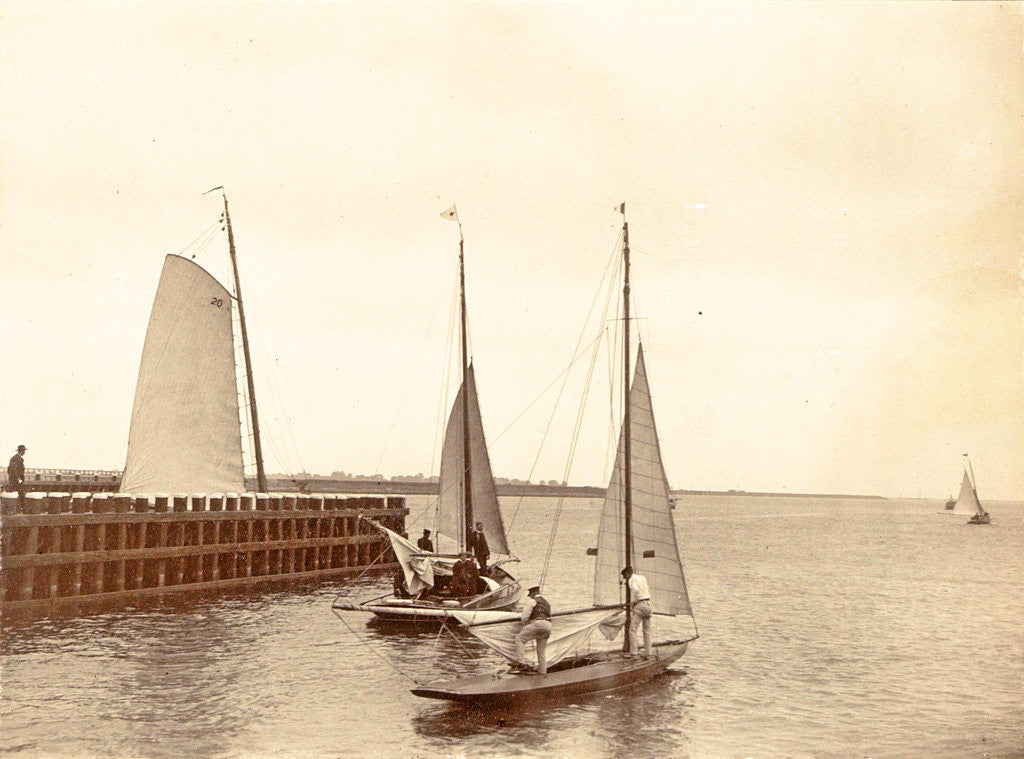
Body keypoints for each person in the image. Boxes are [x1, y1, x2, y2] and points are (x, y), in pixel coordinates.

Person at [514, 586, 552, 674]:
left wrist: (527, 624)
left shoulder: (532, 601)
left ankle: (521, 663)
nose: (530, 597)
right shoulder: (547, 603)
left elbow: (524, 617)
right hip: (548, 625)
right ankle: (543, 673)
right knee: (541, 653)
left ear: (533, 593)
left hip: (537, 624)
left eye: (530, 595)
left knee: (519, 639)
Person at [621, 566, 652, 657]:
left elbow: (635, 590)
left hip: (640, 605)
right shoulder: (642, 577)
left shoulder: (631, 580)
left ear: (628, 573)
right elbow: (646, 589)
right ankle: (648, 652)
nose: (625, 579)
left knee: (632, 629)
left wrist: (633, 602)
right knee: (646, 631)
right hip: (648, 604)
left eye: (625, 576)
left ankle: (633, 652)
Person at [7, 444, 26, 509]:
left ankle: (18, 508)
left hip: (15, 479)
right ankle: (21, 508)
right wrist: (18, 478)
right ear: (21, 451)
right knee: (19, 493)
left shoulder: (16, 458)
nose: (24, 452)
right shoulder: (16, 458)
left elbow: (9, 469)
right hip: (16, 480)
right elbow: (13, 469)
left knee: (17, 493)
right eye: (24, 451)